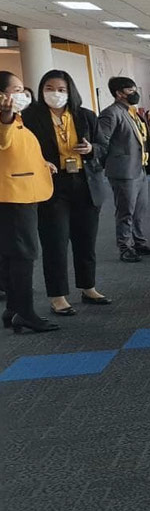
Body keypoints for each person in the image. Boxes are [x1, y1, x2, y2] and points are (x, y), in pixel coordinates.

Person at [22, 70, 112, 315]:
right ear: (41, 90)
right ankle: (58, 295)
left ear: (70, 90)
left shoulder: (85, 116)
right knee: (55, 242)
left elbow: (104, 148)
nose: (55, 94)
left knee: (86, 240)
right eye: (49, 88)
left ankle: (88, 287)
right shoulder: (30, 117)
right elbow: (24, 152)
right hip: (52, 184)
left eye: (61, 89)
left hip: (85, 183)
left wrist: (91, 149)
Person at [0, 71, 58, 333]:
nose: (23, 94)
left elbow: (16, 153)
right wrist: (6, 115)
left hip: (21, 191)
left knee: (14, 255)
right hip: (13, 196)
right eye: (17, 89)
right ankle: (24, 313)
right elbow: (4, 140)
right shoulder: (7, 119)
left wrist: (43, 164)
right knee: (24, 255)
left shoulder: (20, 120)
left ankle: (13, 308)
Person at [96, 77, 150, 264]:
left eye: (135, 89)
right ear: (119, 93)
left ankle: (139, 242)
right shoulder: (111, 114)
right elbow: (102, 142)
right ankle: (125, 247)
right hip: (123, 171)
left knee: (139, 210)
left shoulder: (132, 112)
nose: (135, 93)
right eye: (130, 90)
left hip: (139, 169)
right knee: (125, 211)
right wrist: (105, 164)